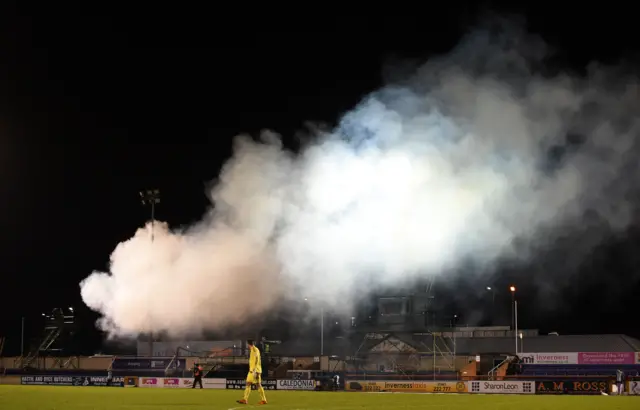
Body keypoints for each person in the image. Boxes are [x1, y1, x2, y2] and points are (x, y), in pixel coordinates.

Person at [237, 339, 267, 405]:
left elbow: (256, 360)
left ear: (248, 344)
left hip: (254, 371)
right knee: (252, 384)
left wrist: (254, 371)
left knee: (254, 384)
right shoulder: (255, 349)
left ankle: (262, 399)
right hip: (254, 370)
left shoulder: (254, 350)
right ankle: (245, 399)